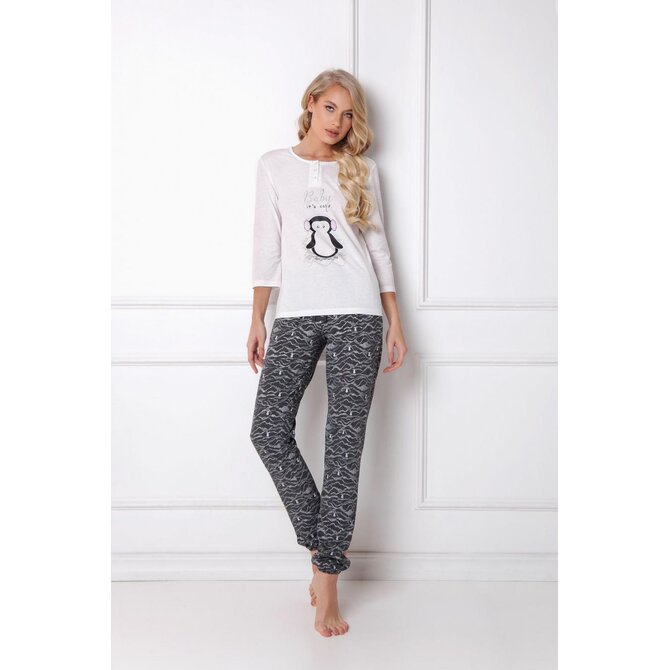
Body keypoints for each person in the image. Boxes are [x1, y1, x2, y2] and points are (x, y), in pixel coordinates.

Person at [247, 68, 408, 637]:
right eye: (331, 108)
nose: (338, 121)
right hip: (295, 314)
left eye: (349, 114)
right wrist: (257, 317)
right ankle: (322, 548)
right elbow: (267, 248)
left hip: (358, 314)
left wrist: (395, 320)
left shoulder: (362, 169)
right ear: (311, 104)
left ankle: (328, 582)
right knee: (268, 431)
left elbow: (378, 247)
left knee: (343, 448)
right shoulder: (274, 165)